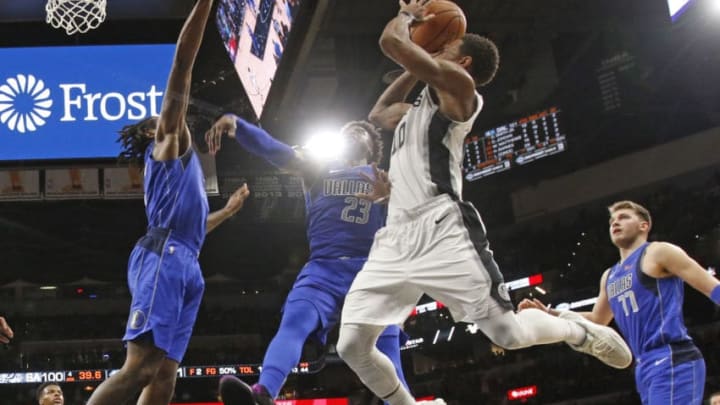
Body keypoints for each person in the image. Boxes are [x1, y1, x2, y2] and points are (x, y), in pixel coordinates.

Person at [335, 1, 633, 404]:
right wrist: (415, 65)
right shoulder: (418, 106)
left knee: (507, 335)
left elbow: (390, 41)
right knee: (351, 345)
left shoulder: (460, 90)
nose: (436, 53)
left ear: (464, 60)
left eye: (445, 48)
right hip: (395, 237)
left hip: (441, 227)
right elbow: (378, 114)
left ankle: (576, 330)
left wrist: (408, 18)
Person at [86, 1, 251, 404]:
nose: (168, 118)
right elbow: (182, 63)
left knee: (163, 377)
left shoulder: (185, 167)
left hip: (184, 255)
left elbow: (191, 231)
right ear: (153, 131)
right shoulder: (166, 145)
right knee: (140, 368)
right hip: (165, 256)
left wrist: (226, 213)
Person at [205, 115, 409, 405]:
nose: (351, 131)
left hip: (370, 270)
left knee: (386, 351)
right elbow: (277, 151)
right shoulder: (318, 169)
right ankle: (263, 394)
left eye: (359, 130)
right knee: (294, 323)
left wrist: (391, 201)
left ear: (372, 147)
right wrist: (239, 127)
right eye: (347, 129)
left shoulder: (387, 178)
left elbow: (413, 226)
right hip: (323, 268)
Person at [520, 200, 718, 404]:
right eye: (612, 220)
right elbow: (597, 320)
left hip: (672, 355)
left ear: (644, 226)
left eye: (624, 217)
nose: (615, 223)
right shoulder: (609, 276)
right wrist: (549, 313)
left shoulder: (658, 252)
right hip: (643, 365)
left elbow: (710, 285)